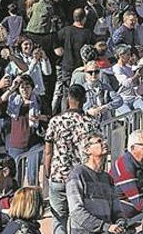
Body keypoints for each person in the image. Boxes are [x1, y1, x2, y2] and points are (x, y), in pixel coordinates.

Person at [43, 84, 98, 234]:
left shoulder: (55, 121)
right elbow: (97, 152)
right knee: (79, 218)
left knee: (59, 219)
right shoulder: (90, 123)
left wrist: (48, 171)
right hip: (81, 178)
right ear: (84, 99)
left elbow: (48, 151)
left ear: (68, 99)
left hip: (58, 175)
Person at [67, 132, 125, 234]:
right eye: (99, 141)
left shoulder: (108, 178)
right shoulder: (78, 174)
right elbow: (76, 212)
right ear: (87, 150)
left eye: (104, 140)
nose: (104, 143)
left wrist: (121, 223)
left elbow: (117, 210)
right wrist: (105, 226)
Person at [0, 75, 45, 187]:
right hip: (17, 142)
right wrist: (12, 87)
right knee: (15, 175)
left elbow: (49, 116)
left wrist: (40, 117)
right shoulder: (13, 101)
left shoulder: (38, 100)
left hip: (34, 141)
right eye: (22, 87)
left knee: (32, 175)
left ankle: (33, 196)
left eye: (27, 86)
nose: (25, 89)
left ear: (32, 87)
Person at [54, 9, 95, 113]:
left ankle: (64, 114)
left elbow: (54, 39)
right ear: (84, 19)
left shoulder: (66, 30)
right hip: (81, 68)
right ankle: (80, 113)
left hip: (66, 67)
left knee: (66, 94)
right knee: (81, 92)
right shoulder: (88, 33)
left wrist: (57, 49)